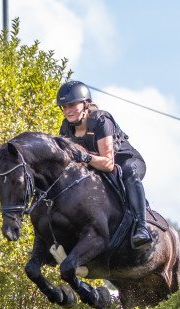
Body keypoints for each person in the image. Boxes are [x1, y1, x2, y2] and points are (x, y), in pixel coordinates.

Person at [56, 80, 152, 248]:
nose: (67, 111)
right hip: (98, 168)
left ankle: (141, 227)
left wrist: (85, 157)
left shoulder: (101, 120)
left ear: (85, 104)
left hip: (126, 162)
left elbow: (108, 164)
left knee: (129, 170)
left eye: (71, 105)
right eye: (64, 107)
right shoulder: (66, 128)